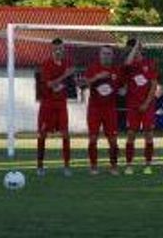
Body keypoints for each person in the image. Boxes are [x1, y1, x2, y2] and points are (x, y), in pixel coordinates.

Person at [37, 39, 75, 177]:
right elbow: (50, 85)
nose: (58, 51)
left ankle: (66, 166)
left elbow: (71, 82)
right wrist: (66, 74)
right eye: (56, 49)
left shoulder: (68, 63)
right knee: (42, 135)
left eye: (61, 48)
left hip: (61, 104)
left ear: (64, 49)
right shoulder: (46, 64)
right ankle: (40, 166)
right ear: (52, 50)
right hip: (47, 104)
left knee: (65, 134)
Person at [122, 39, 159, 175]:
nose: (135, 51)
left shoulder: (150, 63)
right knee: (131, 134)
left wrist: (146, 103)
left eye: (137, 48)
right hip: (133, 105)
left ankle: (148, 164)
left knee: (148, 134)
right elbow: (127, 63)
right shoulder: (129, 65)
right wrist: (134, 48)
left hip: (147, 105)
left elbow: (154, 85)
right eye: (132, 49)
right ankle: (129, 165)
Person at [84, 46, 122, 175]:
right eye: (104, 53)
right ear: (100, 55)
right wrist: (98, 76)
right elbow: (84, 84)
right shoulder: (93, 68)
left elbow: (122, 86)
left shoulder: (117, 70)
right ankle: (93, 167)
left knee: (113, 139)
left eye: (109, 54)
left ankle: (114, 167)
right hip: (94, 109)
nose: (107, 56)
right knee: (93, 138)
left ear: (112, 56)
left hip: (110, 109)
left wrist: (123, 90)